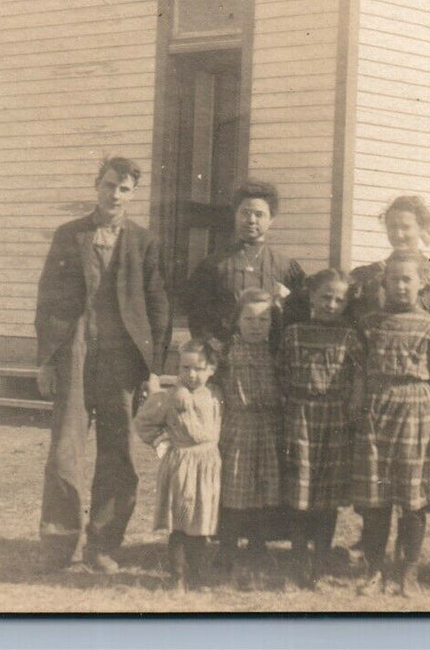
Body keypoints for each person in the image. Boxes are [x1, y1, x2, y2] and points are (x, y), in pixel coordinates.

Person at [33, 156, 170, 572]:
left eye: (124, 189)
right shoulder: (68, 235)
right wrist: (47, 360)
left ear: (132, 193)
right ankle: (59, 544)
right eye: (109, 185)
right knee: (63, 452)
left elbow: (157, 307)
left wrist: (153, 368)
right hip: (74, 351)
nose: (115, 194)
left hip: (121, 359)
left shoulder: (144, 242)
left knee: (119, 454)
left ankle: (104, 545)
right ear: (97, 185)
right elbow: (48, 300)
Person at [352, 253, 430, 597]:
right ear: (385, 283)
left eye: (408, 279)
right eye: (395, 280)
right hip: (376, 414)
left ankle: (407, 572)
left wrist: (419, 394)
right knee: (377, 501)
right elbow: (358, 367)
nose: (401, 286)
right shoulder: (370, 324)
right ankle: (375, 569)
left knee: (412, 499)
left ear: (422, 283)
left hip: (416, 415)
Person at [279, 268, 359, 589]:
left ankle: (321, 558)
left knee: (327, 493)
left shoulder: (349, 336)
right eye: (325, 297)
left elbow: (357, 378)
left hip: (335, 418)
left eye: (339, 299)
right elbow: (281, 373)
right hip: (300, 416)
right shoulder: (294, 333)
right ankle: (298, 557)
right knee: (300, 490)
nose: (331, 304)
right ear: (312, 296)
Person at [133, 340, 222, 592]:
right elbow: (143, 423)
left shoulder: (216, 395)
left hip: (207, 467)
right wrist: (163, 442)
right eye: (185, 368)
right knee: (182, 522)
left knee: (202, 523)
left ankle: (198, 575)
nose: (191, 375)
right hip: (183, 466)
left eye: (199, 368)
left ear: (212, 369)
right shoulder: (170, 398)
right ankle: (178, 576)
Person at [181, 179, 308, 352]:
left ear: (271, 219)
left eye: (259, 214)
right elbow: (198, 315)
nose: (251, 220)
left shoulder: (286, 267)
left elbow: (300, 316)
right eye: (245, 213)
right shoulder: (214, 265)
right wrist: (214, 346)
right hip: (225, 355)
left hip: (271, 356)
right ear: (236, 215)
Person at [215, 288, 285, 588]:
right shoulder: (226, 353)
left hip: (267, 428)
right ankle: (227, 547)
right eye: (249, 318)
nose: (256, 325)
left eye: (263, 319)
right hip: (237, 427)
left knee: (263, 489)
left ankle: (258, 546)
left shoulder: (276, 353)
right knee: (234, 489)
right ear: (237, 321)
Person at [346, 195, 430, 323]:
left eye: (406, 227)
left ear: (421, 228)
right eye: (393, 227)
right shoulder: (367, 275)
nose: (398, 235)